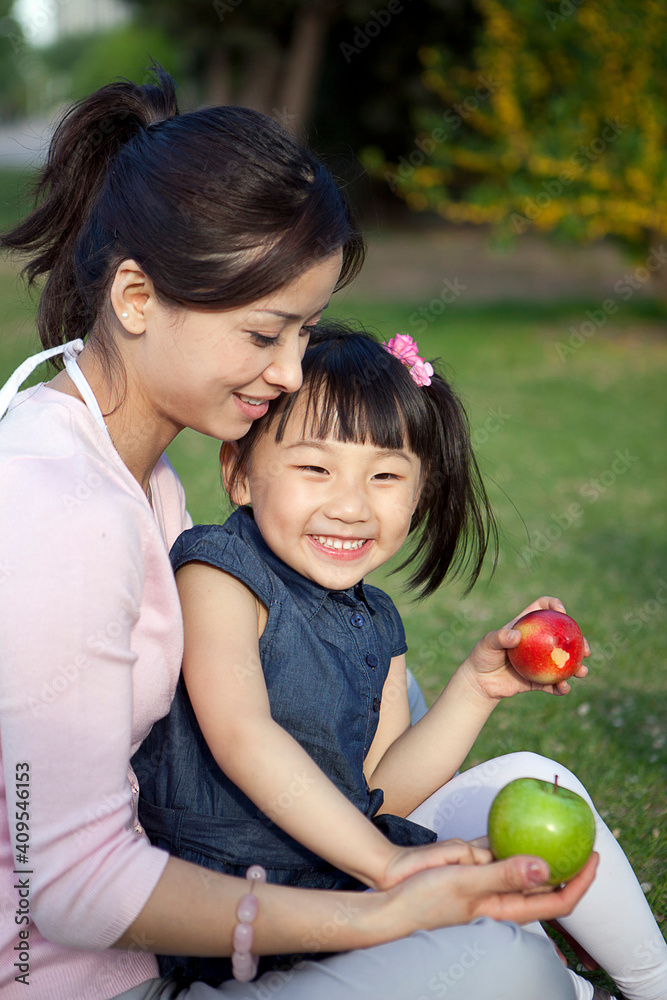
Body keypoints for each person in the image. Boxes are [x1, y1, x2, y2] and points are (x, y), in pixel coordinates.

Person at [0, 64, 602, 1000]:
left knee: (522, 834)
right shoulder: (54, 507)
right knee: (506, 968)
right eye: (263, 334)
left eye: (305, 331)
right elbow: (68, 884)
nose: (289, 373)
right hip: (74, 982)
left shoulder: (137, 470)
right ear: (134, 298)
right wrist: (377, 905)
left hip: (167, 936)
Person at [133, 324, 667, 1000]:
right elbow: (242, 736)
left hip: (349, 882)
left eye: (385, 476)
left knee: (534, 777)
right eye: (314, 468)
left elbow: (381, 786)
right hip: (246, 917)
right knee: (499, 957)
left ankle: (651, 983)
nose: (351, 505)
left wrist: (477, 687)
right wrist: (385, 864)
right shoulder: (220, 575)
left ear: (418, 493)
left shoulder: (374, 619)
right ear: (238, 472)